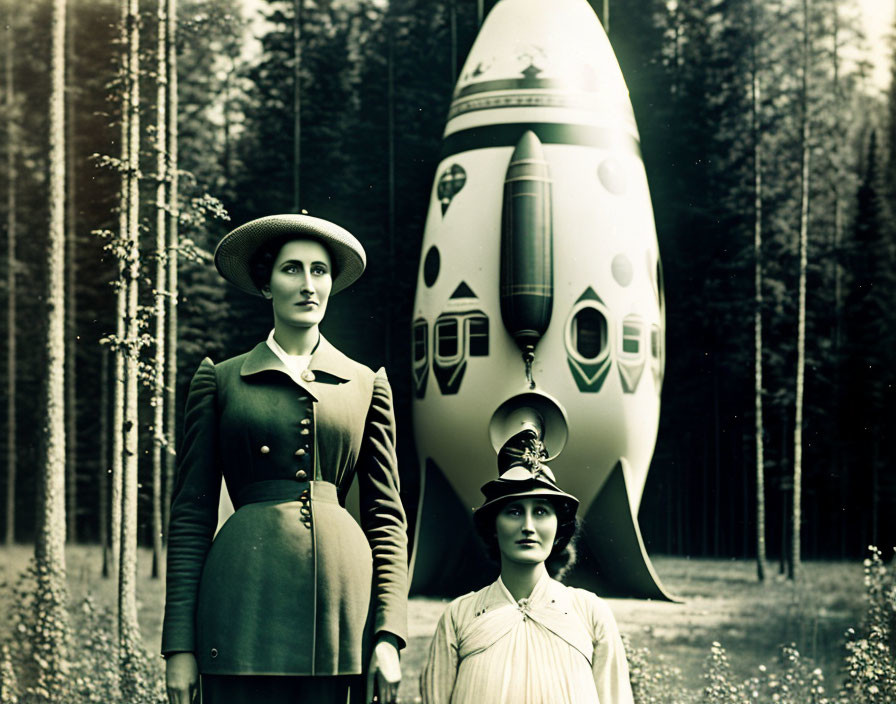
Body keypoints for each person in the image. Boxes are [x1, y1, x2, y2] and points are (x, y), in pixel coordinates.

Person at [161, 214, 408, 704]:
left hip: (341, 617)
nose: (308, 284)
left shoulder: (366, 384)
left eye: (320, 271)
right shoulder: (221, 380)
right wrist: (179, 648)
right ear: (266, 284)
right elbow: (191, 517)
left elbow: (387, 520)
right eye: (291, 269)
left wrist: (388, 635)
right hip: (240, 613)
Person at [420, 459, 634, 704]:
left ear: (558, 528)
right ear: (493, 527)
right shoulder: (459, 616)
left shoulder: (590, 613)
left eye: (541, 512)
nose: (528, 527)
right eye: (514, 511)